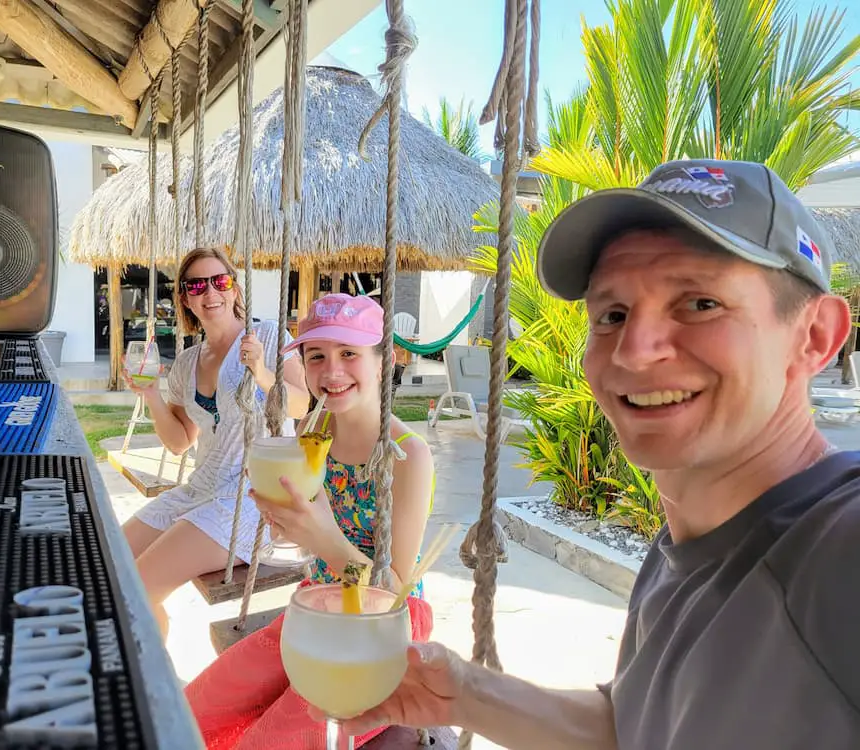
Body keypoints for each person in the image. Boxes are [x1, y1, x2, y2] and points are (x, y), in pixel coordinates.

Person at [311, 160, 860, 749]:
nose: (635, 350)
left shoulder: (833, 551)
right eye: (613, 315)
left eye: (701, 304)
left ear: (815, 337)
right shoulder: (687, 548)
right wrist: (465, 694)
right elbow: (637, 725)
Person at [184, 293, 436, 749]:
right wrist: (287, 523)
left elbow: (393, 590)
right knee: (197, 707)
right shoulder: (311, 434)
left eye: (349, 354)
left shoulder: (407, 456)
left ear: (385, 360)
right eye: (316, 356)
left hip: (382, 627)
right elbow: (305, 536)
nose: (331, 371)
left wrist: (321, 536)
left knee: (268, 741)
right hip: (315, 603)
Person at [122, 246, 311, 640]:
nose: (210, 293)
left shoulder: (269, 336)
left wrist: (260, 371)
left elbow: (300, 403)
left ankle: (151, 685)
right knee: (108, 561)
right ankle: (149, 663)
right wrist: (152, 397)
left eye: (219, 281)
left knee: (136, 585)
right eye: (196, 285)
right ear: (185, 298)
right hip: (201, 488)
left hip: (252, 495)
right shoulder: (188, 362)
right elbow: (179, 442)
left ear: (235, 289)